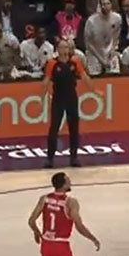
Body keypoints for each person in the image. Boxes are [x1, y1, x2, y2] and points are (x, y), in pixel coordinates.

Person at [42, 39, 95, 168]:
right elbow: (46, 81)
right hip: (58, 98)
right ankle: (50, 158)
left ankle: (74, 157)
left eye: (66, 47)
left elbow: (84, 76)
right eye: (62, 47)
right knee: (54, 128)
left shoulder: (75, 61)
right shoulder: (52, 63)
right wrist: (41, 97)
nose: (64, 50)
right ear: (57, 49)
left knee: (74, 128)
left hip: (71, 97)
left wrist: (94, 90)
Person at [84, 0, 121, 76]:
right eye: (103, 4)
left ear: (111, 5)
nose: (106, 6)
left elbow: (116, 36)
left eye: (108, 4)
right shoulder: (91, 21)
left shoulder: (117, 18)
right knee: (94, 75)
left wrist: (113, 49)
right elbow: (88, 43)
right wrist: (101, 59)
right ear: (100, 6)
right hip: (94, 52)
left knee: (114, 73)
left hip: (109, 50)